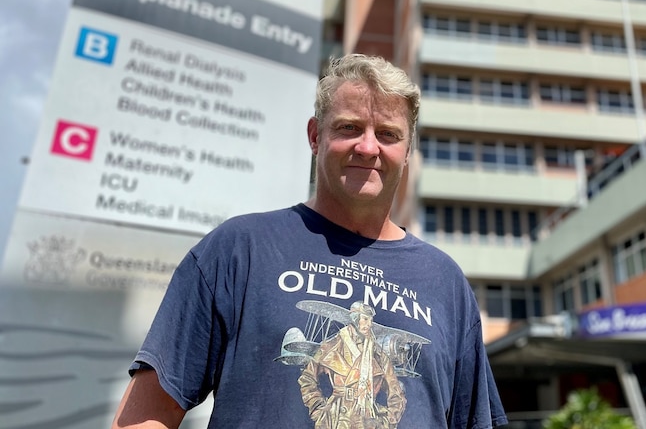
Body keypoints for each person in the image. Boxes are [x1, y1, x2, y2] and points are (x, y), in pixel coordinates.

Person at [111, 53, 508, 428]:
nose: (368, 147)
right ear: (315, 136)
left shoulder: (446, 283)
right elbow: (146, 414)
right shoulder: (239, 249)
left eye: (387, 134)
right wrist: (323, 406)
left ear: (407, 153)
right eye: (349, 127)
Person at [298, 302, 405, 428]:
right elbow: (307, 378)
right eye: (365, 319)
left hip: (369, 419)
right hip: (336, 417)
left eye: (370, 320)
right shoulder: (331, 345)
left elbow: (396, 392)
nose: (369, 324)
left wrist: (388, 422)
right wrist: (318, 410)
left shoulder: (379, 356)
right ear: (355, 319)